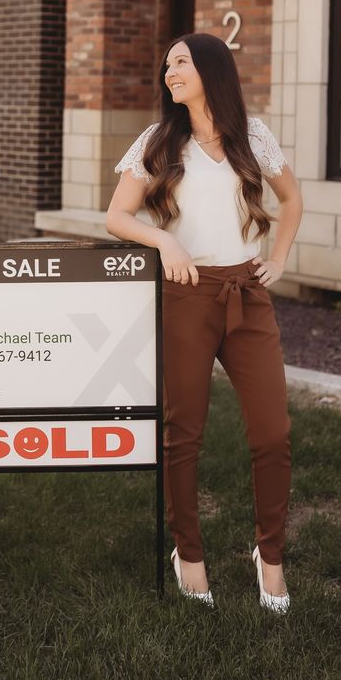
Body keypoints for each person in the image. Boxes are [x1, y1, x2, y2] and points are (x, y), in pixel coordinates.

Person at [106, 33, 302, 612]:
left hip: (248, 293)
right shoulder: (160, 140)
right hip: (186, 296)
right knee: (183, 431)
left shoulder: (252, 136)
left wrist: (280, 258)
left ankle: (270, 556)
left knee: (273, 433)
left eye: (181, 62)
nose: (169, 72)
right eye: (166, 65)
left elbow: (291, 200)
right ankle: (188, 553)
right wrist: (164, 239)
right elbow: (117, 215)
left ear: (212, 68)